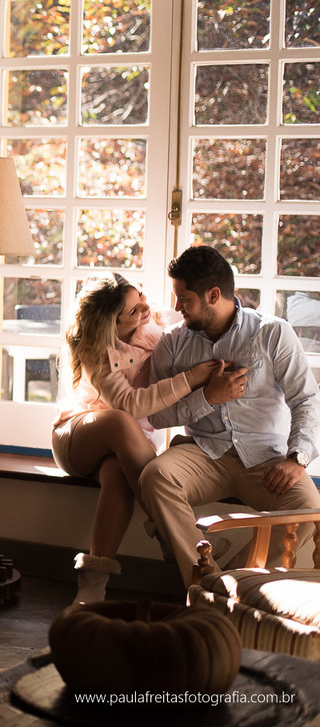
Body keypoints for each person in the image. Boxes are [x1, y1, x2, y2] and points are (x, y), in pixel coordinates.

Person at [141, 245, 320, 588]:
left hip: (264, 458)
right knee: (155, 477)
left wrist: (298, 459)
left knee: (309, 508)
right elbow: (158, 415)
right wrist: (208, 397)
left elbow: (307, 399)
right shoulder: (172, 343)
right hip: (203, 452)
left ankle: (226, 584)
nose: (177, 308)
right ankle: (205, 578)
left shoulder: (272, 333)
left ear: (213, 294)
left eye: (185, 299)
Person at [53, 272, 219, 603]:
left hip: (127, 448)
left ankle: (91, 588)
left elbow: (198, 327)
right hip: (78, 437)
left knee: (117, 474)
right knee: (120, 420)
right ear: (110, 325)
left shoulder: (155, 322)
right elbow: (131, 404)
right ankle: (172, 533)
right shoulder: (95, 349)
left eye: (140, 295)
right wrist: (191, 379)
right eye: (133, 309)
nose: (144, 306)